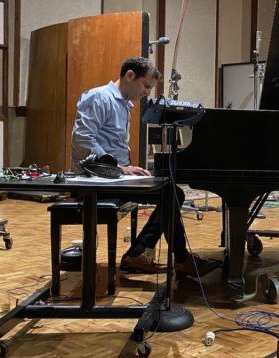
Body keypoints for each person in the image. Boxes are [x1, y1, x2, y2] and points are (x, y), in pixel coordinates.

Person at [71, 56, 219, 275]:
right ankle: (177, 259)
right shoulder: (99, 97)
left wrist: (127, 171)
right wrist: (120, 168)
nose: (147, 92)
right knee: (171, 193)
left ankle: (139, 255)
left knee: (173, 193)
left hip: (114, 178)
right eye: (146, 86)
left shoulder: (123, 104)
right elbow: (82, 141)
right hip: (95, 180)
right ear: (130, 76)